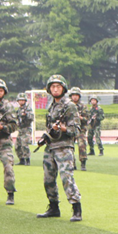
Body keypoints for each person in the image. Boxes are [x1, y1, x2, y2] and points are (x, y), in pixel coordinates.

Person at [36, 75, 83, 222]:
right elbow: (49, 128)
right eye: (53, 86)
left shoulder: (69, 106)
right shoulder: (51, 106)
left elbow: (76, 130)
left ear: (63, 88)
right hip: (50, 147)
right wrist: (44, 137)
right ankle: (53, 207)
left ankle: (76, 208)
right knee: (48, 179)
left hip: (64, 147)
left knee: (66, 178)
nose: (55, 89)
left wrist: (63, 128)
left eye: (58, 86)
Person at [68, 87, 88, 171]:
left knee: (82, 145)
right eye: (73, 95)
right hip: (70, 129)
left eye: (76, 95)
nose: (75, 97)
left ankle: (83, 163)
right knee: (69, 146)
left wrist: (81, 118)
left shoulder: (83, 106)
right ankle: (72, 163)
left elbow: (87, 119)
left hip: (81, 129)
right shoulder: (68, 105)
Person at [15, 93, 34, 166]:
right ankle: (21, 160)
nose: (21, 101)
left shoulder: (28, 109)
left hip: (26, 129)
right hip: (20, 130)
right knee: (17, 146)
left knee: (24, 145)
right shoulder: (18, 110)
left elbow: (31, 117)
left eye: (23, 100)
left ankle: (27, 160)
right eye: (20, 100)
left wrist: (26, 115)